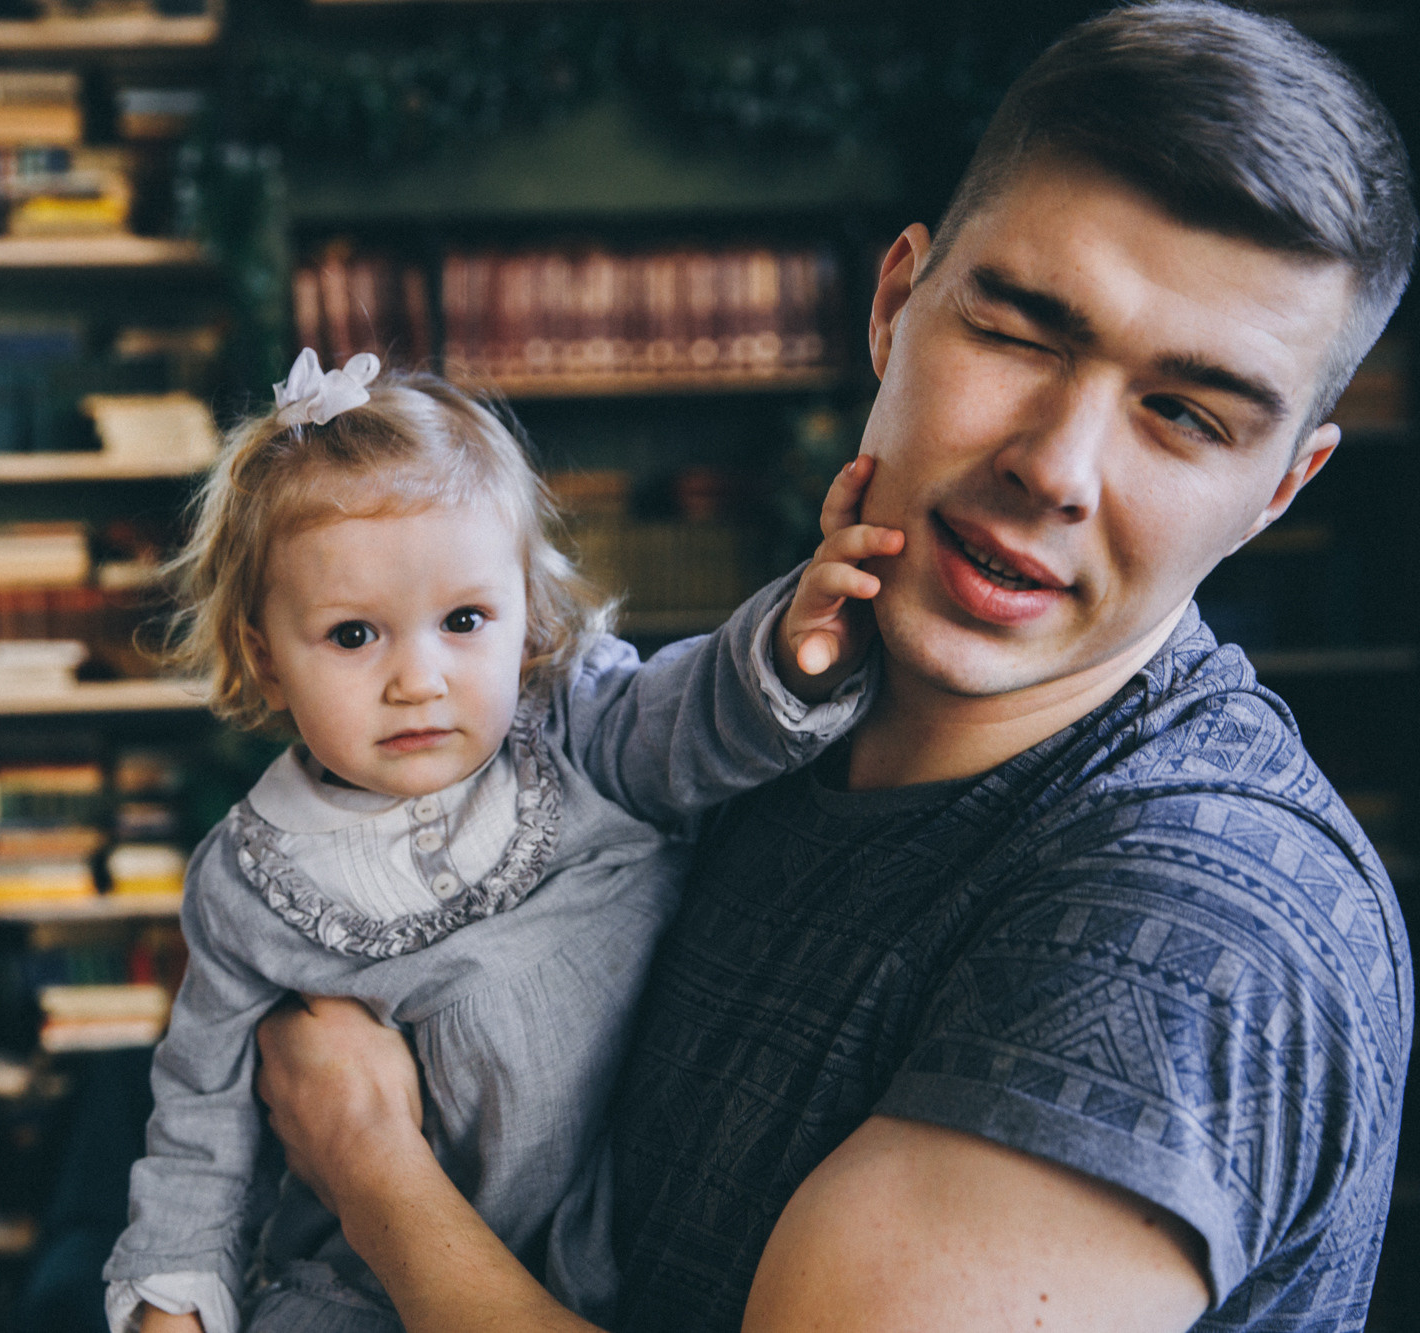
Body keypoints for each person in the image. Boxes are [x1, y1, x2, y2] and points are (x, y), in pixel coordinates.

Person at [250, 4, 1417, 1331]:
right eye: (1021, 333)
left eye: (1185, 415)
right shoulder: (754, 715)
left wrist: (371, 1166)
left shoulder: (1196, 937)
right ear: (894, 303)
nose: (1055, 467)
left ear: (1278, 492)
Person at [102, 349, 904, 1333]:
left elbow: (695, 712)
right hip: (357, 1284)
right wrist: (172, 1305)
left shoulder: (581, 730)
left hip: (616, 1245)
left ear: (526, 623)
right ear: (265, 659)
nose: (418, 680)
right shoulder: (247, 881)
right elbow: (199, 1131)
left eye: (464, 619)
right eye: (353, 635)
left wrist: (792, 652)